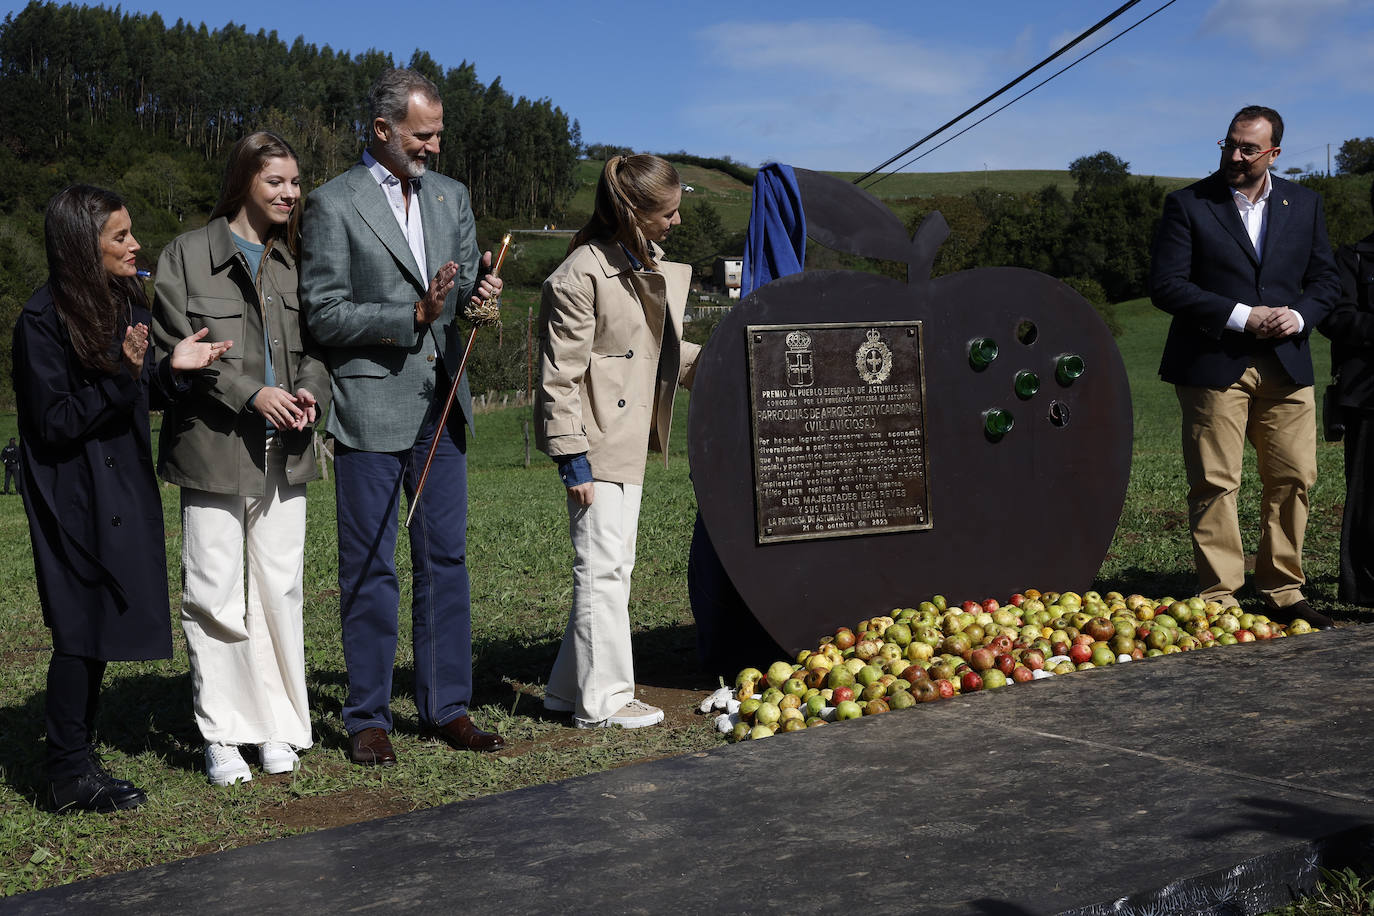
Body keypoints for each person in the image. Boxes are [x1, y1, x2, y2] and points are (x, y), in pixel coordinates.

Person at [300, 69, 504, 765]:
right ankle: (367, 716)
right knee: (370, 565)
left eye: (439, 133)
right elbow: (322, 312)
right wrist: (407, 316)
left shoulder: (453, 197)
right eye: (424, 135)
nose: (436, 148)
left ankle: (447, 706)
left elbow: (472, 292)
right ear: (383, 130)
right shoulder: (332, 204)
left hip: (442, 404)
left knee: (445, 558)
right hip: (369, 406)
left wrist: (483, 297)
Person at [13, 185, 230, 812]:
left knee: (102, 617)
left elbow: (136, 394)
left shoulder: (119, 302)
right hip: (70, 492)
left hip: (118, 483)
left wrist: (171, 372)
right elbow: (52, 422)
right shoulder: (42, 320)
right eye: (120, 237)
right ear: (84, 246)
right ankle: (66, 773)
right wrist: (127, 377)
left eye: (131, 233)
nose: (135, 246)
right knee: (78, 627)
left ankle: (79, 757)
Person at [152, 131, 331, 786]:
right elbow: (179, 346)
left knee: (279, 590)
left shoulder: (294, 263)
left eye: (294, 182)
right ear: (243, 181)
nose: (288, 193)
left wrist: (309, 390)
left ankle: (279, 725)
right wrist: (252, 393)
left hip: (286, 451)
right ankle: (225, 733)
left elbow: (316, 349)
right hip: (212, 446)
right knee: (214, 592)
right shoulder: (187, 256)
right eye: (275, 181)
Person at [1149, 105, 1342, 628]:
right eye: (1229, 144)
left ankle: (1283, 589)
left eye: (1247, 148)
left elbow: (1326, 280)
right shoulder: (1187, 203)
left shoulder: (1304, 204)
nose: (1234, 155)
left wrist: (1300, 316)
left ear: (1274, 152)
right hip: (1212, 362)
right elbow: (1166, 285)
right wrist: (1240, 316)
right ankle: (1219, 596)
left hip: (1286, 364)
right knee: (1215, 481)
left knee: (1294, 477)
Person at [535, 155, 701, 728]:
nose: (676, 223)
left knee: (614, 565)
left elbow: (662, 356)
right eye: (669, 212)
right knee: (602, 570)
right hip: (596, 442)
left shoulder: (642, 262)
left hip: (629, 438)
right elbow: (558, 376)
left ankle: (564, 690)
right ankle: (603, 702)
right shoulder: (581, 274)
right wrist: (572, 459)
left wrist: (729, 359)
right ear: (634, 211)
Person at [1318, 182, 1374, 605]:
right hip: (1368, 397)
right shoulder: (1353, 257)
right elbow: (1335, 318)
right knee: (1367, 498)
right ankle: (1363, 588)